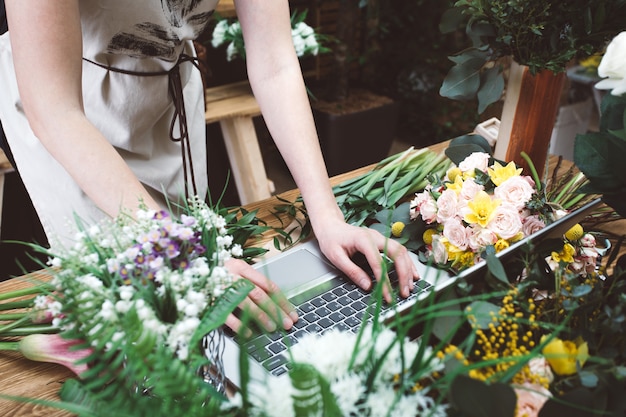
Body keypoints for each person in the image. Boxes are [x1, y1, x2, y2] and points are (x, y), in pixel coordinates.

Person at [0, 0, 419, 333]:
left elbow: (274, 62)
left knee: (205, 299)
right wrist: (183, 250)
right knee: (128, 310)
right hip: (74, 111)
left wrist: (328, 218)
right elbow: (55, 110)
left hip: (168, 95)